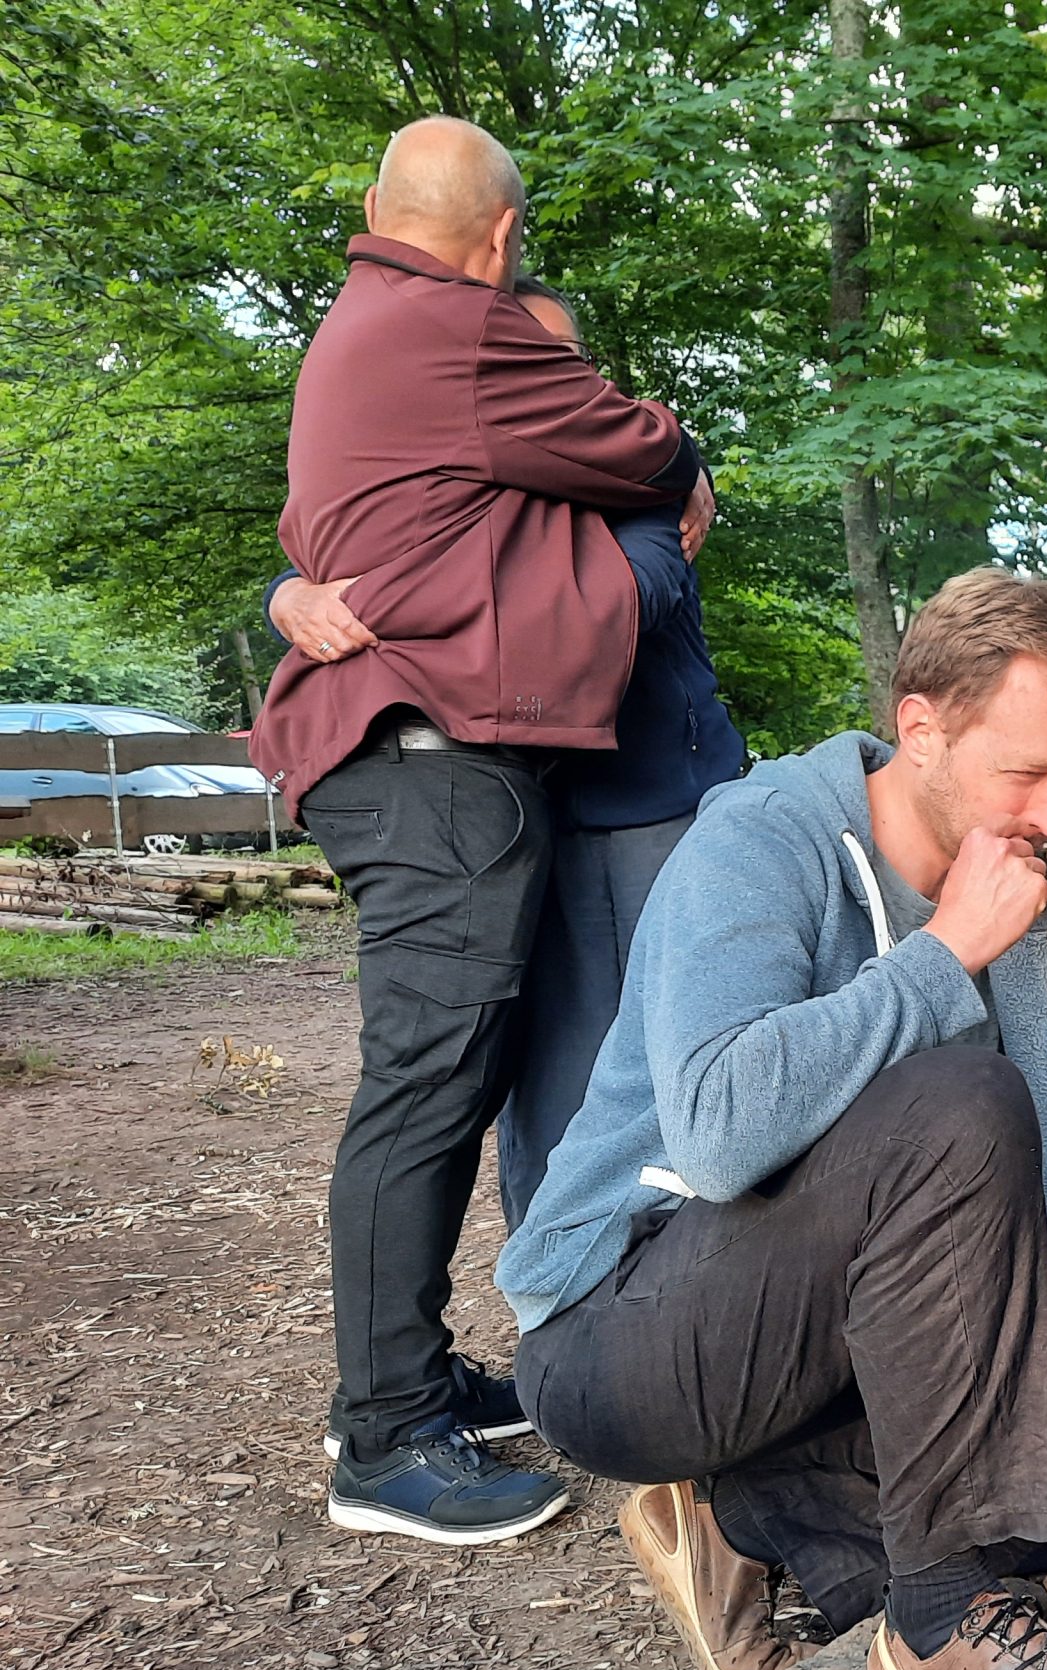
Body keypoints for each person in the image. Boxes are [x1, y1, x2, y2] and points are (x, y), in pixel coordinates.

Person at [494, 569, 1047, 1670]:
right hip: (623, 1334)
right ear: (921, 728)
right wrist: (942, 958)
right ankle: (937, 1622)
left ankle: (751, 1509)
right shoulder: (759, 840)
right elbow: (722, 1131)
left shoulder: (1009, 884)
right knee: (951, 1094)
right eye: (1023, 774)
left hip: (832, 1357)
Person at [251, 116, 714, 1546]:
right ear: (501, 242)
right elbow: (657, 455)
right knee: (427, 1087)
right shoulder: (458, 328)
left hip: (433, 761)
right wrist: (647, 459)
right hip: (431, 764)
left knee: (454, 1077)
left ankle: (409, 1380)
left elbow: (327, 532)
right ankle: (383, 1438)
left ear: (376, 202)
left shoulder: (367, 329)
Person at [270, 279, 749, 1230]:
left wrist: (357, 601)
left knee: (681, 1050)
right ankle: (559, 1295)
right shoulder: (460, 489)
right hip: (532, 814)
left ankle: (697, 1275)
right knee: (549, 1068)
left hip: (665, 803)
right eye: (518, 363)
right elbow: (356, 549)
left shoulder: (634, 476)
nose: (539, 381)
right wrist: (290, 592)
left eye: (559, 363)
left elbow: (622, 595)